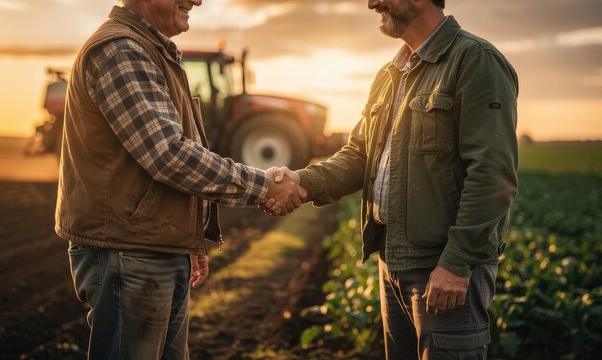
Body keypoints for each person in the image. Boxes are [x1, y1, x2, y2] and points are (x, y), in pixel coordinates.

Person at [267, 0, 518, 358]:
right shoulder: (389, 74)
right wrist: (302, 182)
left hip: (441, 269)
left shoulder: (475, 61)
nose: (372, 3)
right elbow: (359, 155)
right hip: (392, 263)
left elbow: (493, 175)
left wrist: (457, 263)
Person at [55, 0, 305, 358]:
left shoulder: (151, 51)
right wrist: (263, 185)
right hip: (130, 251)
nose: (197, 1)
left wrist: (190, 239)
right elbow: (168, 155)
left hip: (153, 246)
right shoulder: (122, 51)